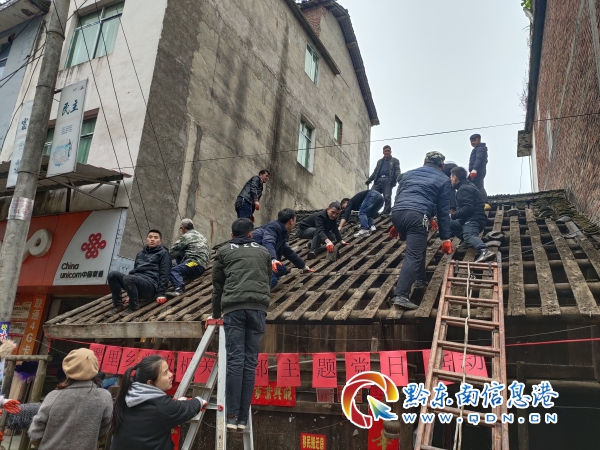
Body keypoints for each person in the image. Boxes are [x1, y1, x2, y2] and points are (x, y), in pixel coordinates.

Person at [211, 218, 271, 431]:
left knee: (235, 361)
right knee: (249, 362)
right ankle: (243, 419)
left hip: (234, 309)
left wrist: (216, 314)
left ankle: (232, 416)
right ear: (251, 234)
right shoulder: (264, 252)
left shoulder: (223, 252)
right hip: (258, 308)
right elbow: (267, 280)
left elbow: (218, 286)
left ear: (231, 234)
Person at [389, 151, 454, 310]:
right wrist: (446, 238)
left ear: (424, 162)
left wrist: (396, 224)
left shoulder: (407, 175)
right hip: (417, 216)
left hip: (397, 214)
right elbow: (443, 211)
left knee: (419, 244)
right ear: (442, 166)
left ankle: (420, 279)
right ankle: (401, 295)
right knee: (413, 255)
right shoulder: (443, 179)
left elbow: (399, 198)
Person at [110, 355, 207, 449]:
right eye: (165, 373)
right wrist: (200, 401)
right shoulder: (161, 406)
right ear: (150, 383)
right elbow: (186, 408)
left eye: (169, 370)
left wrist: (177, 403)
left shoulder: (125, 397)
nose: (171, 375)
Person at [29, 348, 113, 450]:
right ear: (95, 368)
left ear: (67, 368)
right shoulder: (104, 397)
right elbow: (104, 429)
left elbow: (35, 433)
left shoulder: (53, 396)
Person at [107, 230, 171, 313]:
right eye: (150, 237)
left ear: (160, 241)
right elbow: (135, 271)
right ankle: (118, 305)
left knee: (129, 278)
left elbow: (165, 274)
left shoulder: (164, 253)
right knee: (112, 275)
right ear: (147, 239)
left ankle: (133, 307)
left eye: (156, 238)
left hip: (150, 285)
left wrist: (161, 294)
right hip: (136, 282)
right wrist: (131, 293)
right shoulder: (140, 254)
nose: (152, 239)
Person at [252, 208, 313, 288]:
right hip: (254, 259)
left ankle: (259, 278)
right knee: (273, 281)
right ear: (291, 221)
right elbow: (268, 242)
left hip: (262, 257)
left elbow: (288, 252)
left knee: (282, 269)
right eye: (295, 220)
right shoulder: (273, 227)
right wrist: (273, 259)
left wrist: (303, 266)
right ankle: (253, 290)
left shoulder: (281, 231)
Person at [449, 167, 495, 263]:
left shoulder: (464, 189)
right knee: (448, 223)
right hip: (467, 219)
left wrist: (452, 215)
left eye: (451, 177)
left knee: (469, 234)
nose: (450, 180)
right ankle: (467, 242)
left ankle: (484, 250)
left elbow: (468, 208)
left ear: (455, 177)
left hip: (474, 219)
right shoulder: (466, 186)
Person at [167, 218, 210, 297]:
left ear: (183, 228)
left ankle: (179, 289)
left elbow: (172, 252)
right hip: (203, 264)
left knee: (173, 271)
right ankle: (182, 269)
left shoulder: (186, 236)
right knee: (180, 253)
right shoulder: (201, 236)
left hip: (195, 264)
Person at [366, 145, 401, 215]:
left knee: (387, 196)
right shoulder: (379, 161)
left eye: (388, 151)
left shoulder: (395, 160)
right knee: (372, 194)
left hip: (388, 180)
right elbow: (375, 171)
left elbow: (397, 170)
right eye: (385, 151)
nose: (387, 152)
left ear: (390, 152)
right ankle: (371, 210)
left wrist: (399, 179)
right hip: (378, 180)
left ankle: (386, 212)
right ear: (383, 152)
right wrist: (370, 179)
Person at [468, 134, 489, 206]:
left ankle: (485, 203)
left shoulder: (480, 148)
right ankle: (477, 201)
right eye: (471, 141)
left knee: (479, 186)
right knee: (472, 185)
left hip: (478, 171)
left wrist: (475, 169)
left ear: (479, 140)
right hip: (475, 171)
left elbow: (478, 159)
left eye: (475, 140)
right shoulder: (477, 149)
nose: (473, 142)